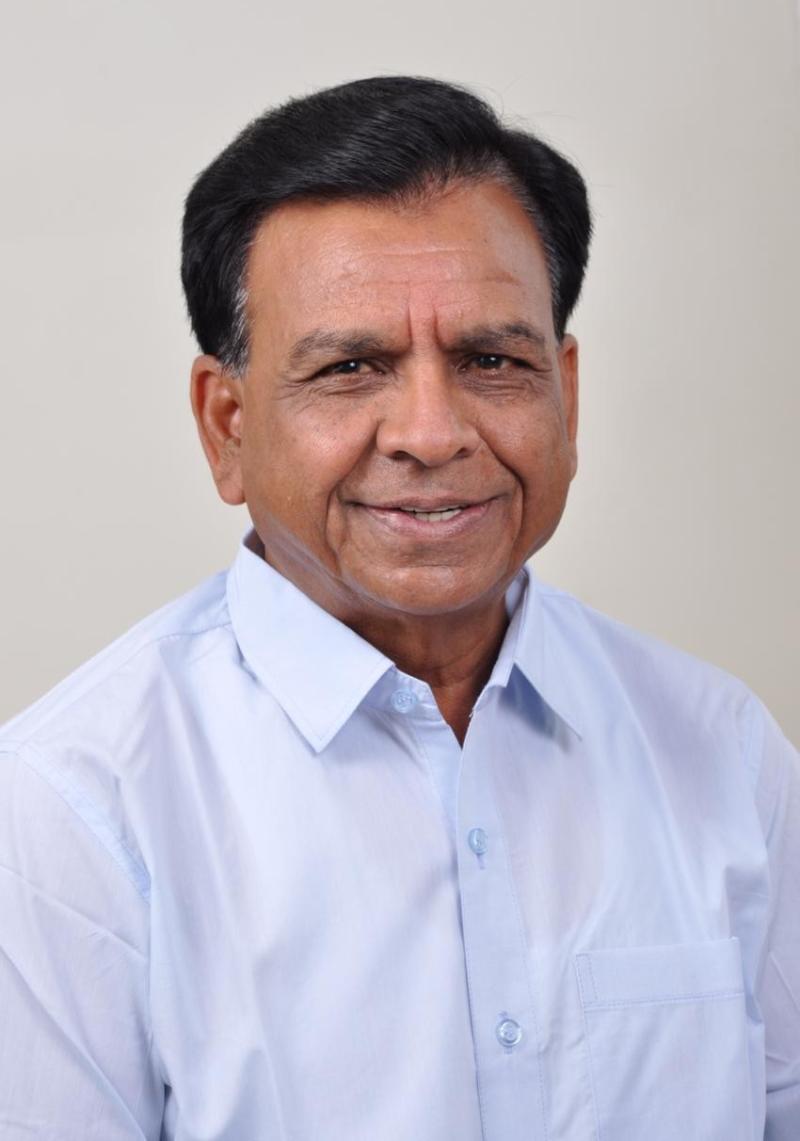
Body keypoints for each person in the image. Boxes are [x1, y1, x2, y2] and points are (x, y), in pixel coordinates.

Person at [0, 75, 796, 1141]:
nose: (430, 432)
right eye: (351, 367)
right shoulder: (71, 810)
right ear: (226, 424)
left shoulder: (722, 750)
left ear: (566, 395)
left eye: (491, 360)